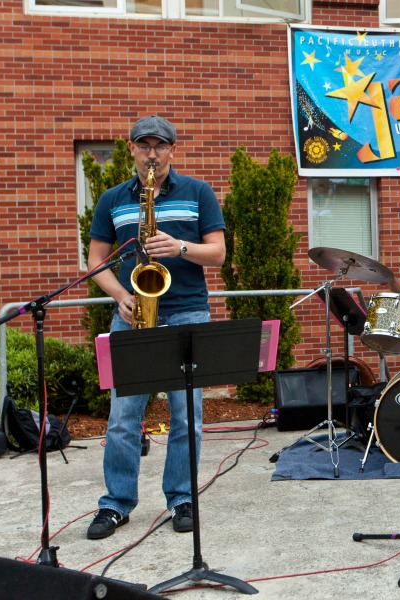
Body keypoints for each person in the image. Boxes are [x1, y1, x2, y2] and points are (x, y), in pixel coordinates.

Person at [86, 116, 226, 540]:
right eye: (144, 145)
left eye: (160, 146)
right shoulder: (113, 200)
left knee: (187, 416)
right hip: (134, 313)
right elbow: (96, 262)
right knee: (123, 418)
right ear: (130, 148)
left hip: (187, 311)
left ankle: (182, 499)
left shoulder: (198, 192)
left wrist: (181, 247)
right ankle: (116, 504)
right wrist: (120, 296)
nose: (152, 154)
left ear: (172, 150)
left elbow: (218, 254)